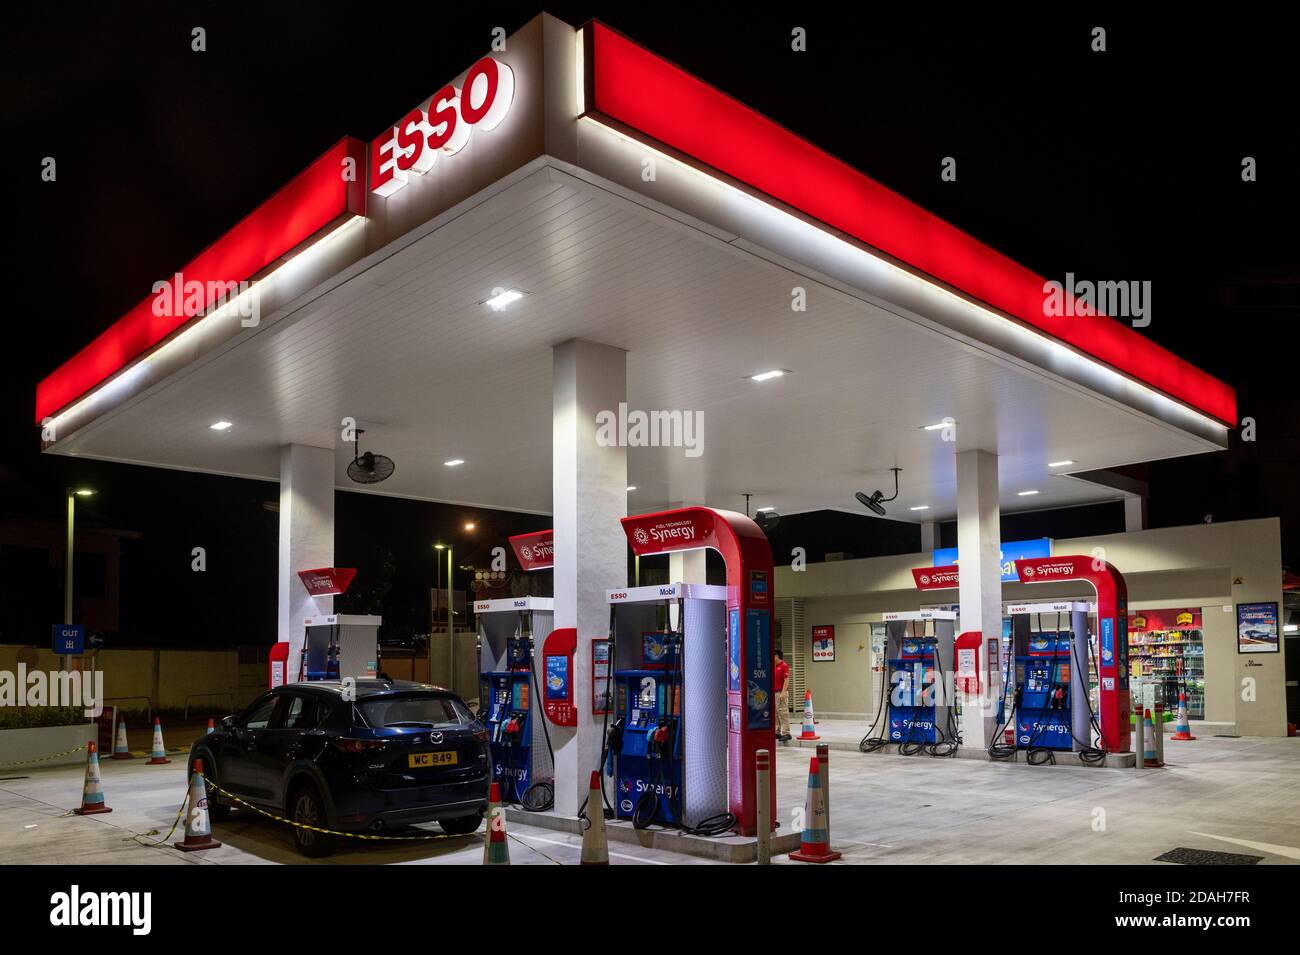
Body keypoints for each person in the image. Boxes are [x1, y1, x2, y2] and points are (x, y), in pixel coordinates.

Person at [774, 649, 791, 741]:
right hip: (774, 693)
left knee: (783, 713)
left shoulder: (784, 666)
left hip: (781, 693)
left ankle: (786, 733)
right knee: (776, 714)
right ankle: (777, 732)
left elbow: (786, 680)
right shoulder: (774, 666)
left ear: (776, 656)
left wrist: (783, 692)